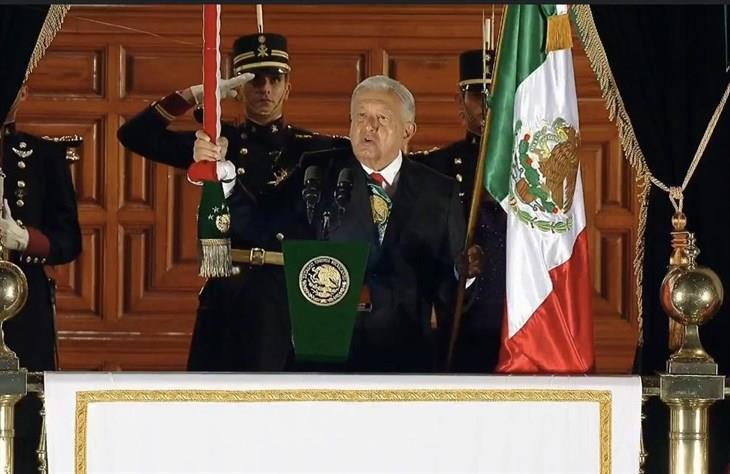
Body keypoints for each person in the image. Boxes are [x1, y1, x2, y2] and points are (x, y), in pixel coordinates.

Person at [117, 32, 349, 371]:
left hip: (291, 293)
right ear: (237, 88)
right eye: (254, 80)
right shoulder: (215, 141)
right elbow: (134, 136)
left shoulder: (316, 148)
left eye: (275, 79)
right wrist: (194, 95)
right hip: (231, 288)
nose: (265, 88)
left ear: (288, 87)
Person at [293, 75, 482, 371]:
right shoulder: (317, 176)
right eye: (360, 117)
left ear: (408, 130)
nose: (369, 127)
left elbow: (451, 288)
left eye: (382, 117)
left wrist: (465, 275)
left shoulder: (439, 191)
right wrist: (223, 181)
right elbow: (265, 224)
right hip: (328, 361)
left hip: (408, 359)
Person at [1, 84, 82, 474]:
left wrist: (25, 239)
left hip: (22, 303)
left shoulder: (42, 156)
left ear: (25, 90)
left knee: (27, 412)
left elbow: (69, 241)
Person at [415, 49, 506, 373]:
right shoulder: (435, 167)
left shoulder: (529, 166)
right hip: (458, 317)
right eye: (478, 93)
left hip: (518, 316)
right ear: (460, 100)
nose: (488, 105)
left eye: (497, 94)